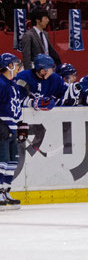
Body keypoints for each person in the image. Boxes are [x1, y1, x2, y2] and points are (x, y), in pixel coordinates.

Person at [0, 53, 51, 211]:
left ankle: (5, 191)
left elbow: (18, 104)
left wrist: (21, 123)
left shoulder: (13, 85)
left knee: (12, 161)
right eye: (16, 64)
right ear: (9, 65)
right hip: (2, 125)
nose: (19, 67)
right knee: (1, 162)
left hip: (12, 127)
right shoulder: (0, 83)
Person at [17, 53, 88, 107]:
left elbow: (66, 96)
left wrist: (78, 87)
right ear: (43, 71)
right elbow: (15, 99)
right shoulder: (23, 77)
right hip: (25, 119)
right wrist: (32, 103)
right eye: (51, 69)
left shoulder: (55, 79)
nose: (52, 71)